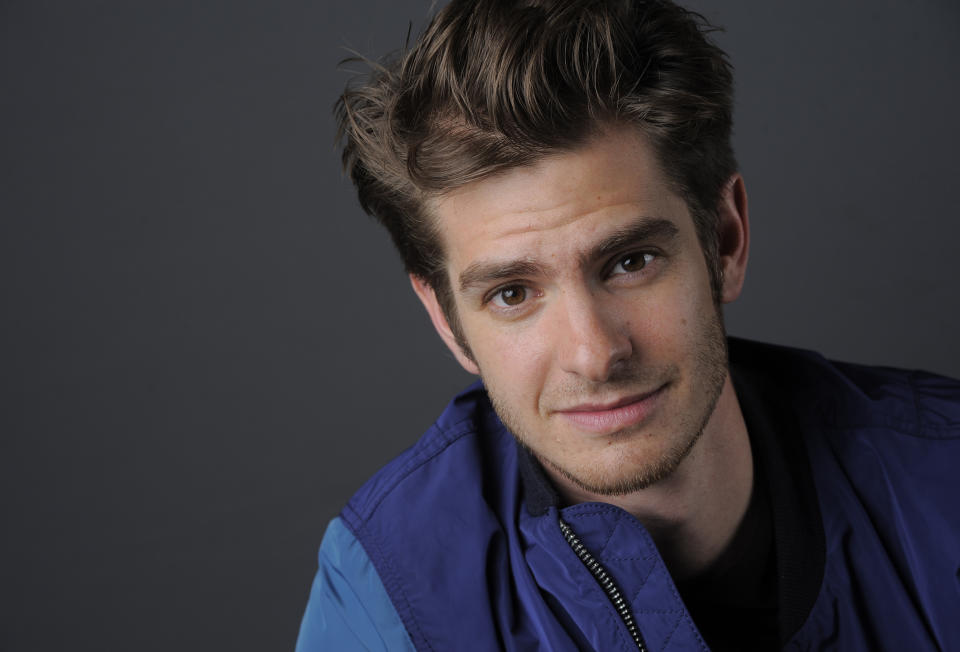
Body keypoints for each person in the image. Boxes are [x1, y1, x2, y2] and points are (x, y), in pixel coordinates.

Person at [296, 0, 960, 649]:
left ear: (724, 241)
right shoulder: (389, 600)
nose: (594, 353)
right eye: (511, 294)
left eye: (630, 261)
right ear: (447, 323)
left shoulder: (945, 485)